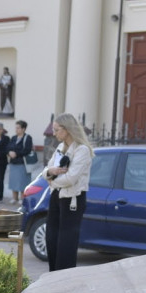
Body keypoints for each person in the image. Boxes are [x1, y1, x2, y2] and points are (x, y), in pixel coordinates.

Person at [44, 113, 93, 271]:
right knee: (51, 239)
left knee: (66, 243)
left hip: (73, 200)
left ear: (67, 129)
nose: (54, 133)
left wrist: (52, 179)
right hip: (56, 197)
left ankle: (64, 280)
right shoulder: (60, 147)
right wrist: (50, 172)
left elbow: (70, 178)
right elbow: (46, 170)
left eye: (57, 129)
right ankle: (52, 276)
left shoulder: (82, 150)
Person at [6, 119, 33, 203]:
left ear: (23, 129)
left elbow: (27, 150)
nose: (16, 130)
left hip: (22, 163)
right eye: (16, 128)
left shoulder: (27, 138)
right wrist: (9, 152)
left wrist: (16, 154)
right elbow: (8, 147)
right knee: (14, 181)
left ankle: (22, 199)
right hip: (13, 163)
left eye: (18, 128)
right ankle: (15, 198)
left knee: (22, 182)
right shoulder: (13, 138)